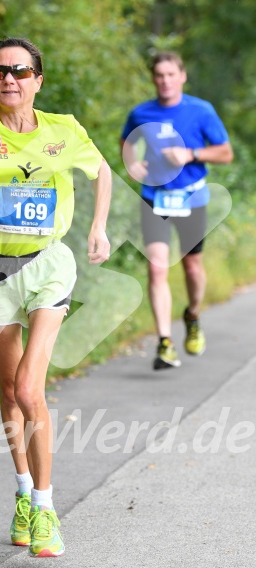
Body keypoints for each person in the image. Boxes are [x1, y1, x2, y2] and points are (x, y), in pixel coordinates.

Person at [0, 37, 111, 557]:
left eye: (19, 71)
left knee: (27, 388)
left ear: (38, 79)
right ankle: (22, 492)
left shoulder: (65, 129)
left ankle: (45, 507)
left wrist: (99, 229)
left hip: (48, 263)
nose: (9, 79)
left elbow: (102, 170)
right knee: (7, 389)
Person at [120, 51, 233, 370]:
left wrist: (191, 154)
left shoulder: (201, 110)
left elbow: (225, 153)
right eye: (159, 75)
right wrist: (133, 165)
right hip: (154, 197)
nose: (165, 81)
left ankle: (193, 314)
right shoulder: (141, 112)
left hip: (190, 197)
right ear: (153, 79)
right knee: (157, 268)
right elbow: (126, 144)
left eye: (171, 74)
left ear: (182, 76)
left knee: (192, 268)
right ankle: (165, 343)